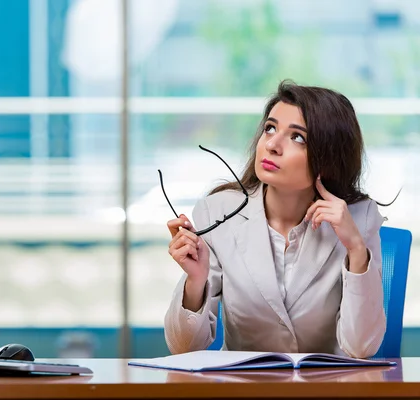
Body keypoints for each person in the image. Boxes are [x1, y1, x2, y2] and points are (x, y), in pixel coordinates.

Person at [164, 80, 388, 359]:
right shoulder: (218, 212)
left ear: (328, 158)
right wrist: (195, 281)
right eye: (270, 128)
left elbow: (361, 347)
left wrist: (356, 249)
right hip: (244, 388)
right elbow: (183, 348)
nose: (272, 144)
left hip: (327, 386)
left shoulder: (359, 217)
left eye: (297, 137)